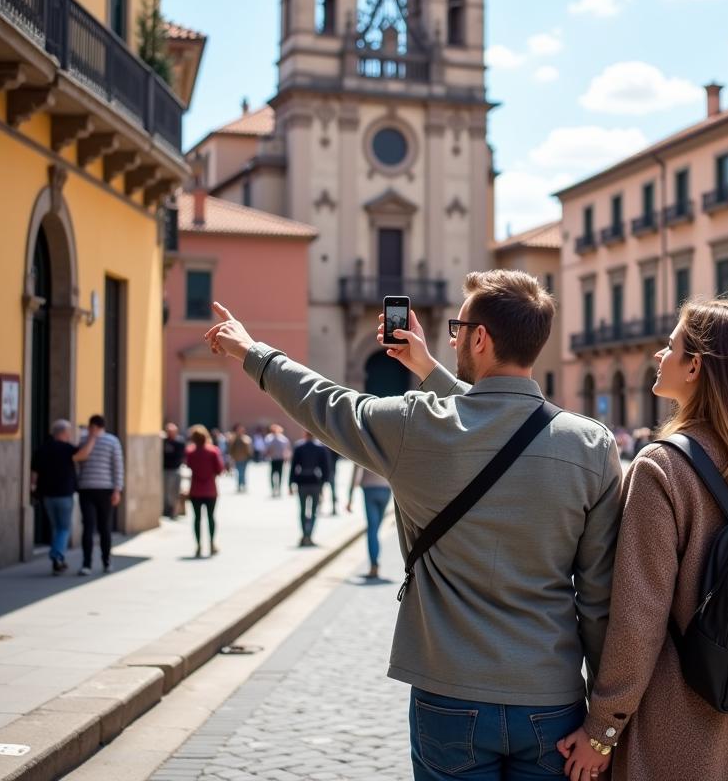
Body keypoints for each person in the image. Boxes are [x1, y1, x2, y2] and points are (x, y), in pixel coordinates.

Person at [204, 270, 622, 780]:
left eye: (458, 327)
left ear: (479, 338)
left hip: (449, 694)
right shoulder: (593, 446)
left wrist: (252, 350)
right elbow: (599, 599)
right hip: (550, 701)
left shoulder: (412, 425)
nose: (452, 339)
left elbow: (325, 403)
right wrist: (603, 727)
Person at [557, 298, 728, 781]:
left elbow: (639, 619)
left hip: (677, 721)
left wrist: (602, 730)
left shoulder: (663, 468)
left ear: (695, 365)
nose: (659, 355)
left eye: (672, 346)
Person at [30, 419, 96, 574]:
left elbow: (34, 475)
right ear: (64, 433)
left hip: (47, 496)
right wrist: (91, 437)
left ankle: (58, 560)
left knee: (56, 527)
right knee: (64, 528)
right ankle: (57, 554)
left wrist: (33, 489)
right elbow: (83, 455)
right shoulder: (67, 449)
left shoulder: (41, 449)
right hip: (64, 494)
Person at [76, 414, 124, 575]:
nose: (89, 430)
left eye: (91, 427)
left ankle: (106, 561)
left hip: (105, 490)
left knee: (105, 527)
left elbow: (118, 466)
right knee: (88, 526)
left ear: (95, 427)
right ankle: (86, 563)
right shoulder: (83, 440)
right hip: (86, 489)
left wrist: (117, 490)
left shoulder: (112, 441)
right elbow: (79, 461)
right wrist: (90, 439)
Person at [185, 424, 224, 557]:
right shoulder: (213, 451)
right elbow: (219, 469)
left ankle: (198, 545)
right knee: (211, 517)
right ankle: (212, 543)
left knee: (196, 519)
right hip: (210, 489)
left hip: (195, 489)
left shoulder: (190, 452)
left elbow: (189, 465)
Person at [347, 462, 392, 576]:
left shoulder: (364, 445)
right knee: (376, 529)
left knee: (372, 529)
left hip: (369, 489)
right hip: (386, 490)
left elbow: (355, 471)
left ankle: (374, 565)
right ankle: (374, 562)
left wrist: (350, 497)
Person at [290, 429, 331, 546]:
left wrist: (290, 483)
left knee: (303, 510)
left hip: (302, 481)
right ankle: (309, 534)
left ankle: (305, 534)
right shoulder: (320, 448)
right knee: (313, 511)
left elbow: (293, 467)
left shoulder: (299, 447)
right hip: (315, 482)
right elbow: (326, 469)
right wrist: (323, 484)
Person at [162, 422, 185, 519]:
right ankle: (166, 510)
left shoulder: (179, 442)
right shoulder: (164, 441)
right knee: (166, 492)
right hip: (165, 469)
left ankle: (174, 511)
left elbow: (181, 456)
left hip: (175, 469)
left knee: (174, 492)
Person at [265, 424, 290, 497]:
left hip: (278, 459)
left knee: (277, 475)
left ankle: (277, 489)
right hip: (275, 459)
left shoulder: (282, 439)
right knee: (275, 475)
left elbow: (286, 450)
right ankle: (275, 489)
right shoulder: (270, 438)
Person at [228, 423, 253, 493]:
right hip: (237, 458)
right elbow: (231, 449)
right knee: (239, 472)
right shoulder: (234, 439)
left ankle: (243, 484)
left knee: (243, 472)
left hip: (244, 458)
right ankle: (240, 485)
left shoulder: (246, 438)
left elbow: (249, 449)